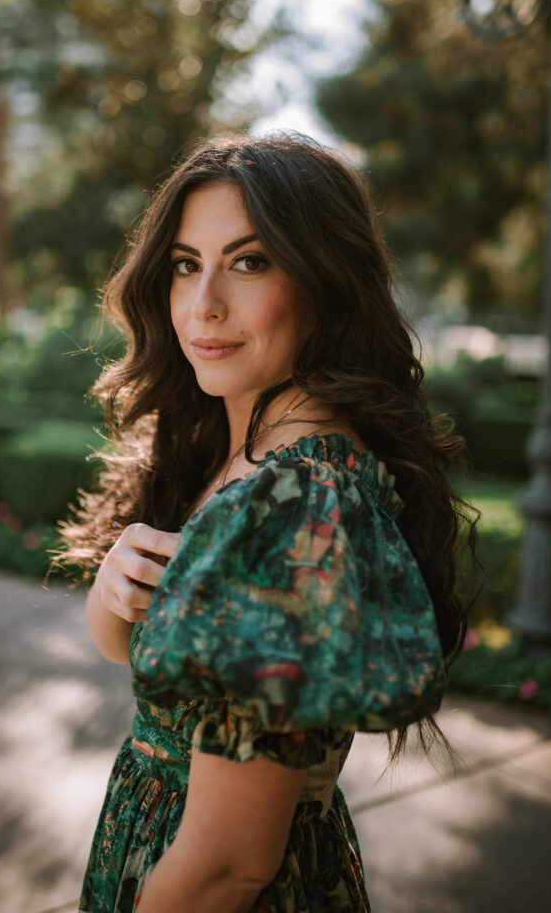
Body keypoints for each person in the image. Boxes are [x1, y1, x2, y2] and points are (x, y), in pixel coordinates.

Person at [56, 133, 477, 913]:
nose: (203, 302)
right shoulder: (232, 451)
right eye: (186, 264)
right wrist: (115, 589)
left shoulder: (294, 503)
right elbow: (127, 653)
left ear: (325, 282)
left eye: (249, 262)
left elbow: (230, 864)